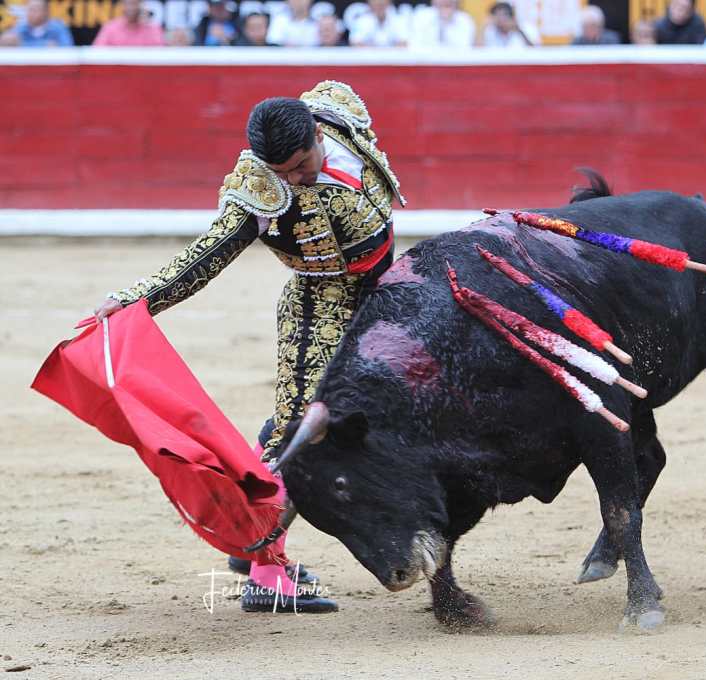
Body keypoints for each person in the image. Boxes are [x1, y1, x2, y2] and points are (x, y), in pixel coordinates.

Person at [93, 81, 405, 614]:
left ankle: (254, 535)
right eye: (281, 172)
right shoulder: (259, 190)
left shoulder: (337, 112)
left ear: (316, 134)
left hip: (387, 294)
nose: (293, 179)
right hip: (321, 309)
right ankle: (265, 570)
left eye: (300, 165)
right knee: (299, 434)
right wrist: (134, 299)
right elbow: (204, 257)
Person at [0, 0, 73, 47]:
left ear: (46, 11)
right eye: (30, 9)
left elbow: (67, 47)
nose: (32, 13)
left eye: (36, 9)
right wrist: (44, 45)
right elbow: (7, 41)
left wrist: (23, 45)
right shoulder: (21, 26)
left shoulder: (58, 27)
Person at [92, 0, 164, 46]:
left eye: (135, 3)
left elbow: (160, 52)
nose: (131, 7)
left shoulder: (152, 28)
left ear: (142, 5)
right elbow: (97, 52)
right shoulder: (110, 28)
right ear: (122, 5)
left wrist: (147, 25)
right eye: (127, 3)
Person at [409, 0, 476, 48]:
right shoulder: (421, 16)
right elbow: (415, 45)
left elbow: (466, 48)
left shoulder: (465, 20)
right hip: (425, 61)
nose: (445, 1)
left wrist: (447, 22)